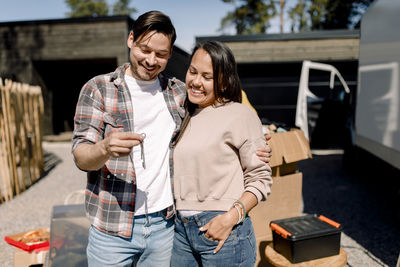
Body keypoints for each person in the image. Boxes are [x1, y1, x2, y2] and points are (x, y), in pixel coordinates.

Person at [72, 11, 271, 267]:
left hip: (165, 227)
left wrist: (261, 141)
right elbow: (81, 157)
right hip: (113, 228)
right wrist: (104, 148)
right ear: (131, 39)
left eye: (161, 54)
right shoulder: (99, 89)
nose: (151, 60)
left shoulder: (177, 92)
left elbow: (227, 114)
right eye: (145, 49)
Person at [171, 41, 273, 267]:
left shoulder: (240, 115)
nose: (196, 82)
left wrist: (230, 218)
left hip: (225, 230)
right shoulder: (183, 114)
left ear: (224, 82)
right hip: (180, 232)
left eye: (207, 77)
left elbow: (260, 179)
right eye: (193, 72)